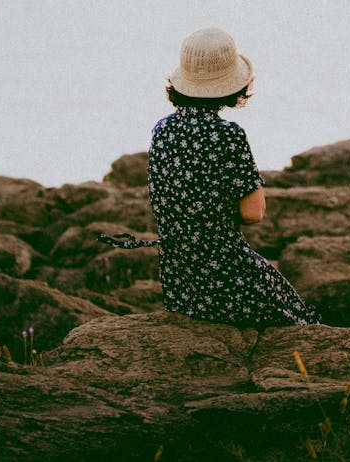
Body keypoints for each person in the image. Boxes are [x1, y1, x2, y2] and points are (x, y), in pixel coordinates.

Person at [99, 27, 320, 328]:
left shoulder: (162, 130)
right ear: (233, 86)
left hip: (180, 281)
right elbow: (253, 213)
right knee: (301, 321)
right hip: (226, 276)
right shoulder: (228, 135)